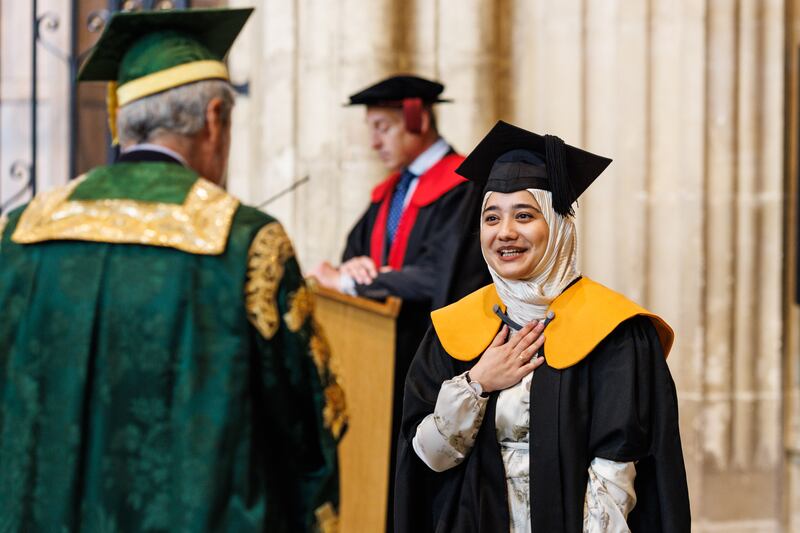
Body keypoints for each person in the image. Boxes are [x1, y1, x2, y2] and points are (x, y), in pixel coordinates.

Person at [0, 8, 343, 533]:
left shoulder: (21, 235)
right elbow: (312, 421)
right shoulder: (247, 245)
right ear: (214, 119)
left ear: (125, 119)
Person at [394, 120, 691, 532]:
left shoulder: (615, 331)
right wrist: (477, 383)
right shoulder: (452, 330)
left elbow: (615, 482)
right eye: (491, 217)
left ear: (557, 224)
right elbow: (427, 461)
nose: (505, 233)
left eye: (524, 215)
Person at [310, 74, 490, 528]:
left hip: (427, 363)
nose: (373, 142)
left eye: (382, 127)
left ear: (418, 119)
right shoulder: (389, 194)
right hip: (375, 362)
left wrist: (360, 283)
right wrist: (346, 273)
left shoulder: (462, 187)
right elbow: (356, 261)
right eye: (370, 128)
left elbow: (442, 276)